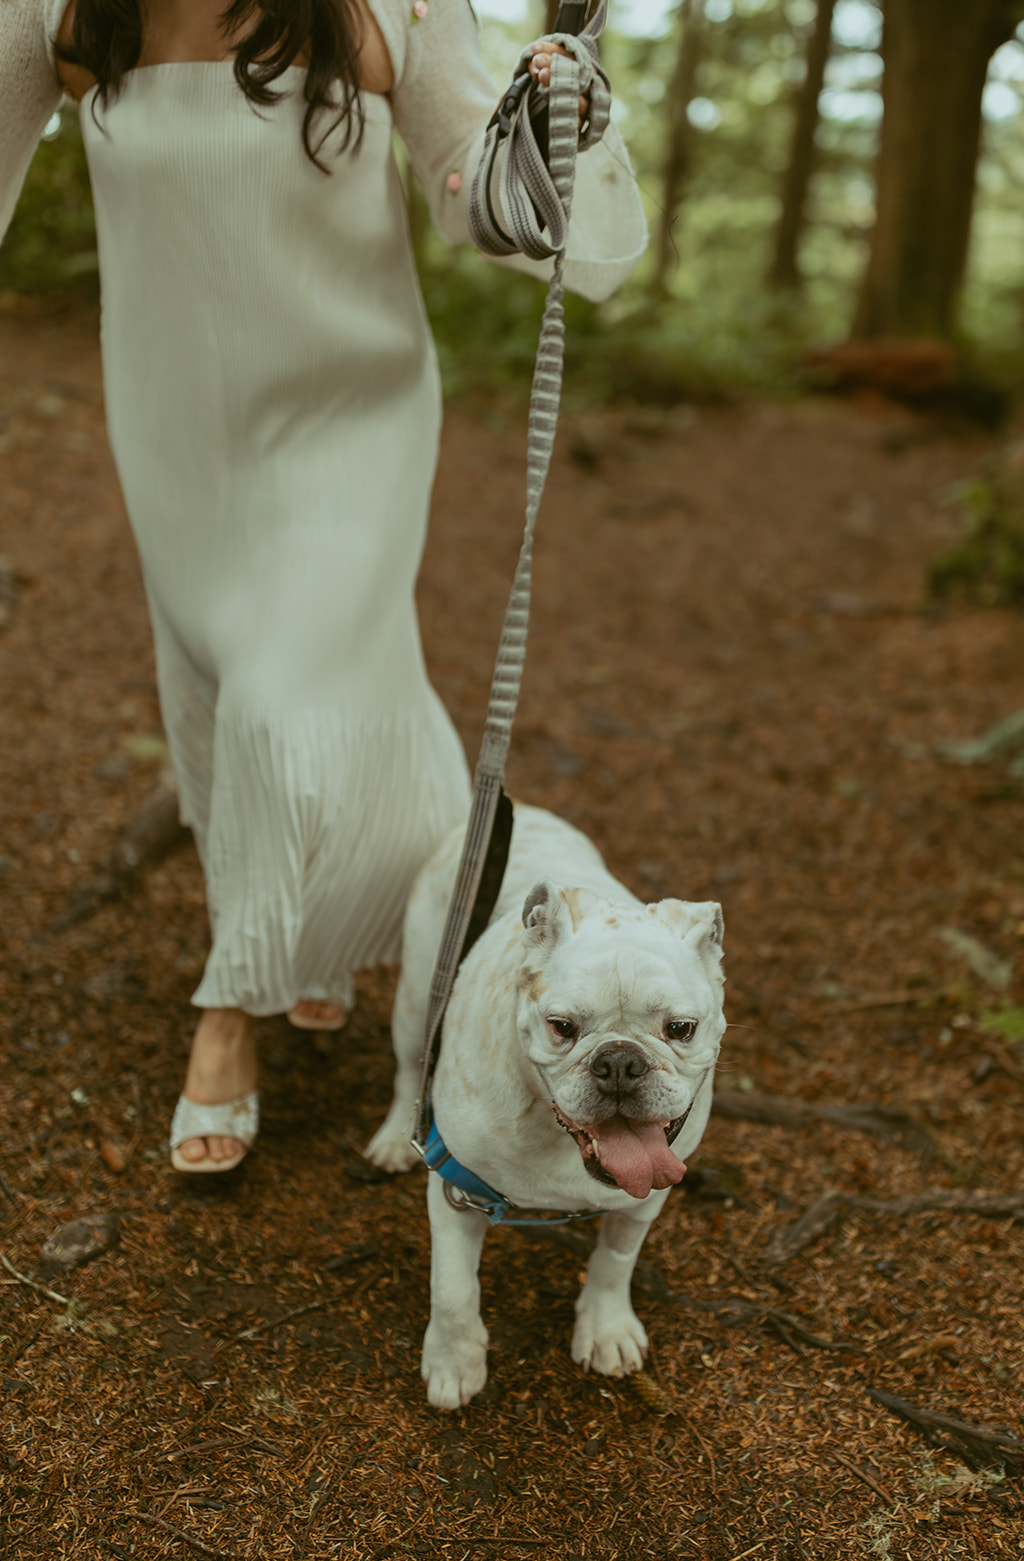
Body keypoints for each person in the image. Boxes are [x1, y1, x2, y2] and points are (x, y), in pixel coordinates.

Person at [0, 0, 646, 1174]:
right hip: (178, 426)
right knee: (217, 687)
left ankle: (229, 1010)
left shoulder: (383, 11)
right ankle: (319, 937)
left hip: (351, 413)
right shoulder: (56, 14)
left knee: (278, 691)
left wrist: (550, 117)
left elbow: (471, 189)